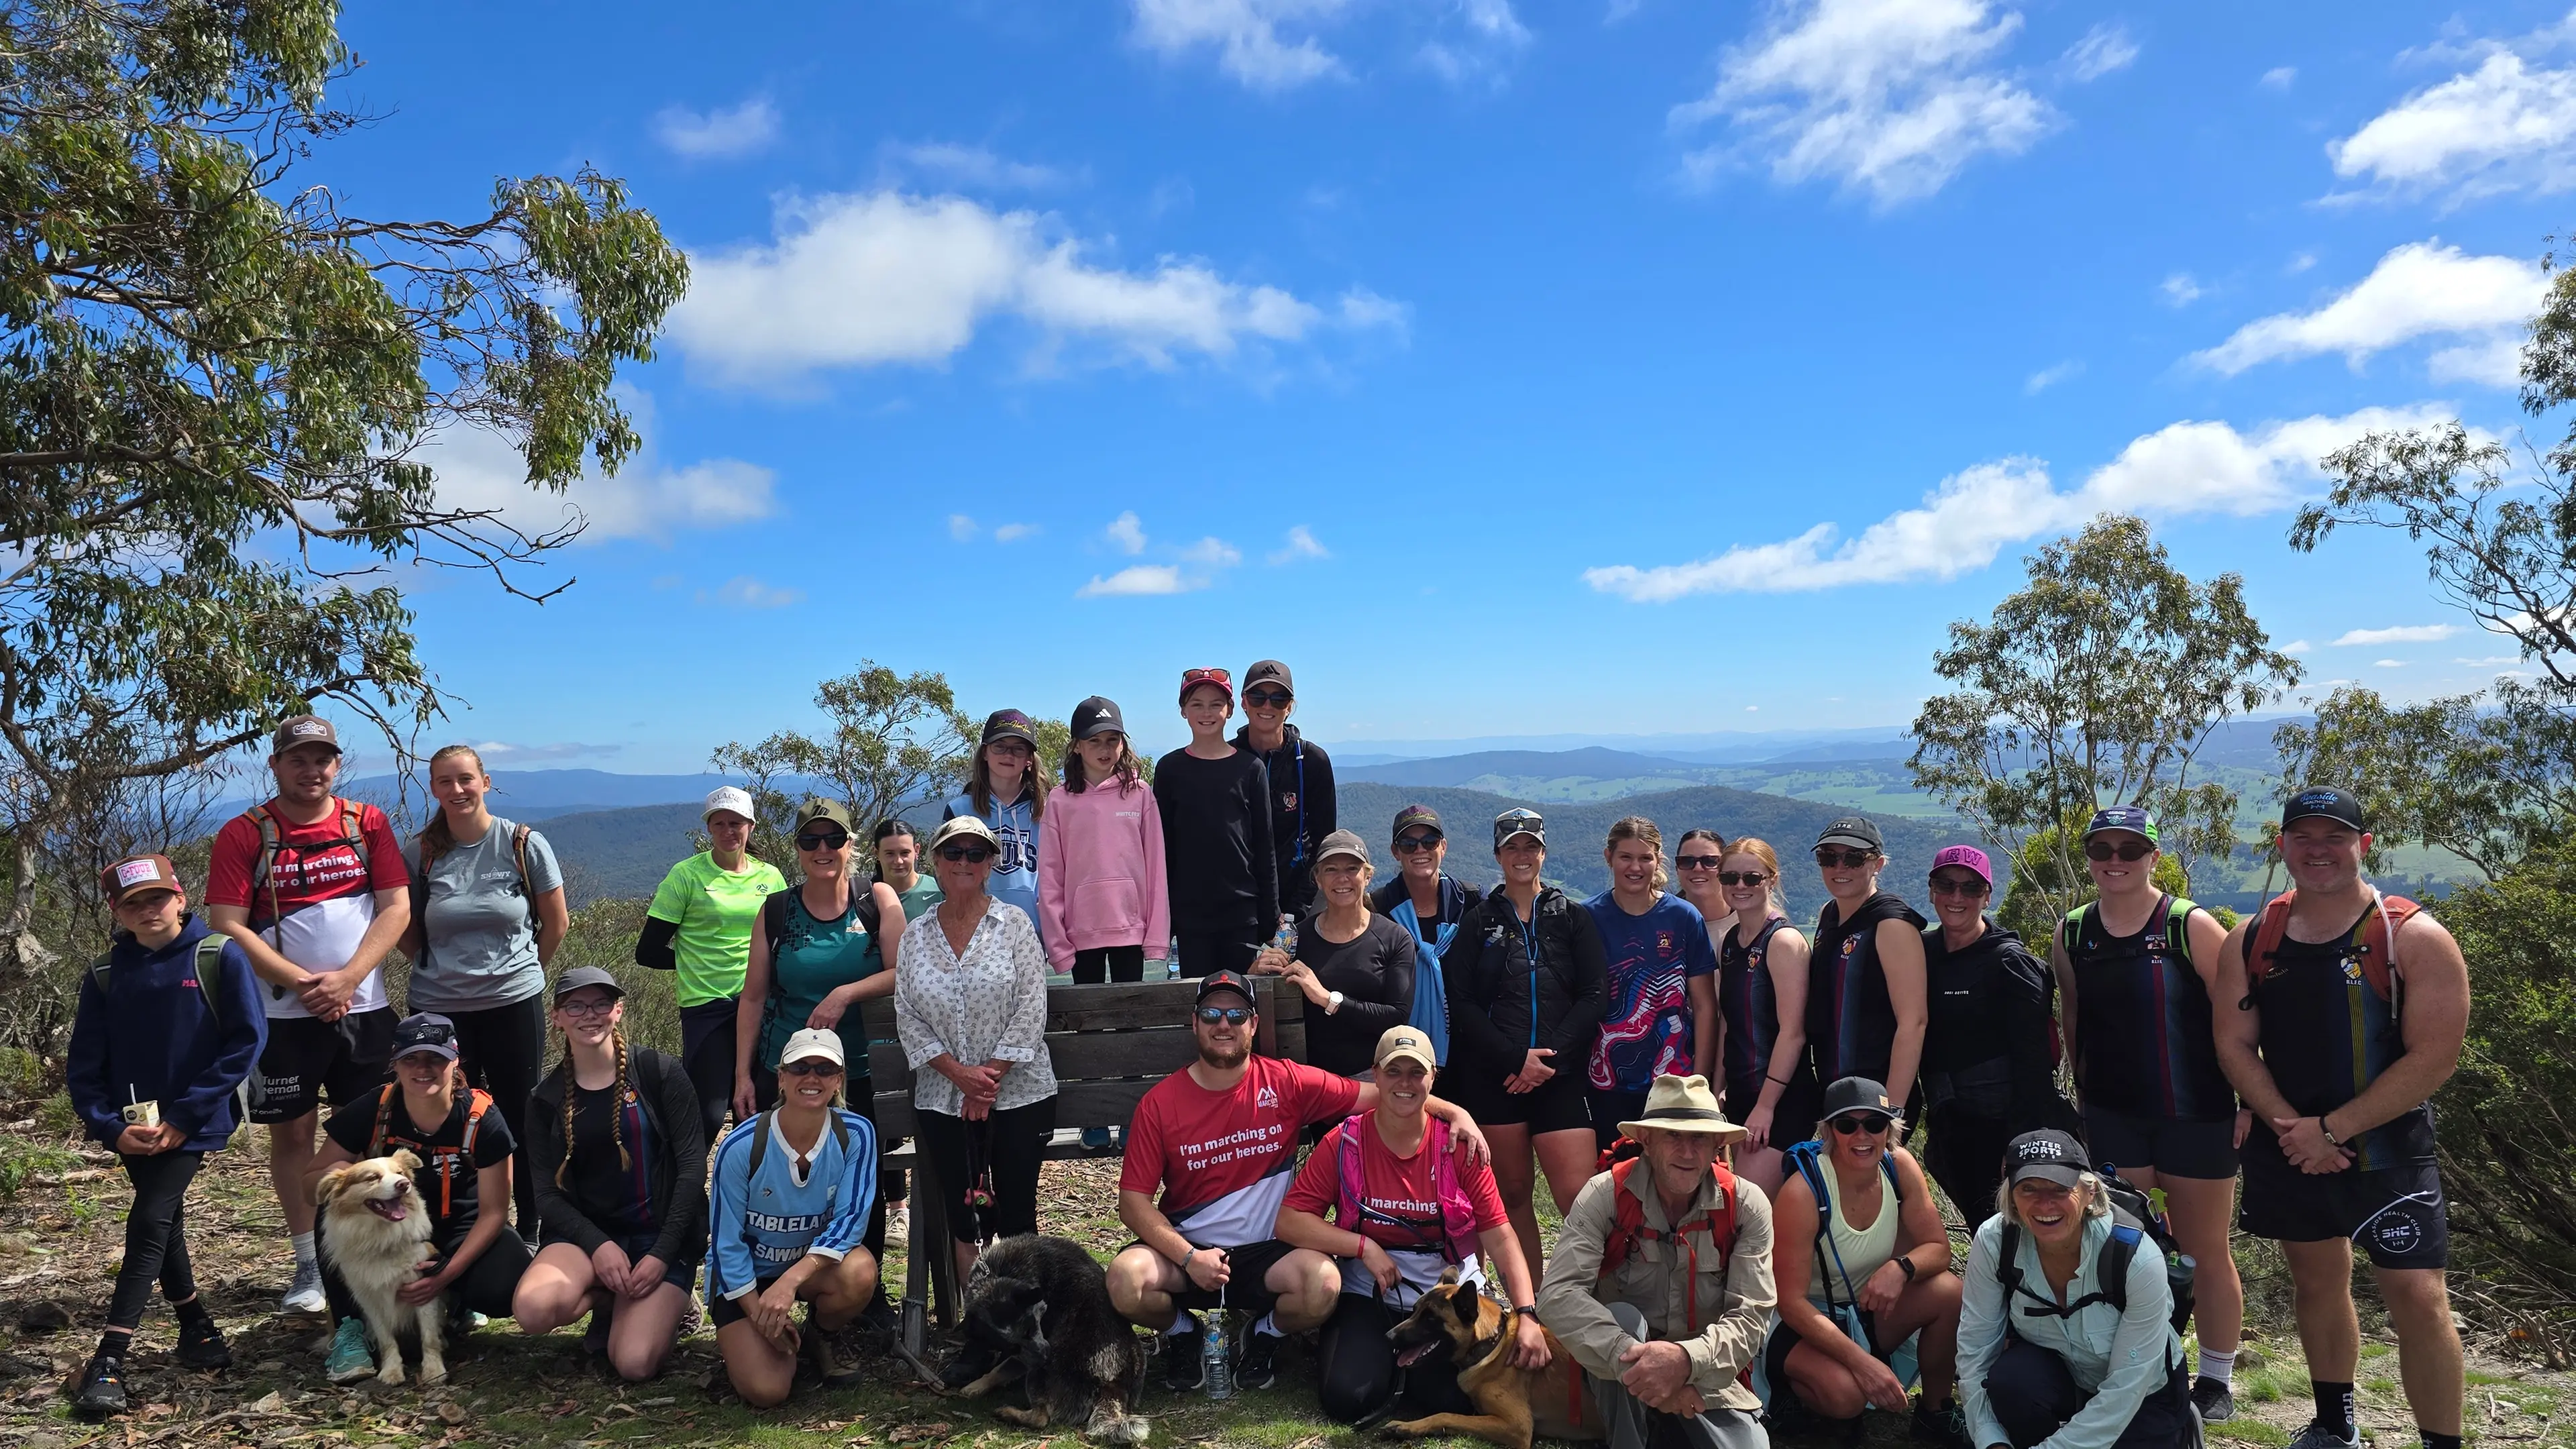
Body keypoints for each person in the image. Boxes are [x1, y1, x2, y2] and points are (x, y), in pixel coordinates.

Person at [2214, 788, 2469, 1449]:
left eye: (2335, 836)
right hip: (2289, 1144)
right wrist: (2290, 1127)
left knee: (2416, 1295)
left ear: (2364, 844)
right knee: (2316, 1281)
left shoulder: (2412, 936)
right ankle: (2334, 1425)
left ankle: (2442, 1441)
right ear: (2283, 847)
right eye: (2304, 837)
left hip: (2388, 1150)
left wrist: (2332, 1130)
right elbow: (2234, 1042)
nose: (2318, 850)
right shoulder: (2253, 938)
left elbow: (2435, 1056)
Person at [1106, 970, 1490, 1393]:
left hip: (1272, 1254)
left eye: (1236, 1015)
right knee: (1126, 1279)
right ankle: (1184, 1335)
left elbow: (1386, 1094)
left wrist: (1455, 1112)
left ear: (1253, 1024)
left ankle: (1264, 1336)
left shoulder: (1286, 1081)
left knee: (1325, 1283)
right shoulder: (1160, 1103)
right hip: (1190, 1251)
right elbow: (1133, 1204)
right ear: (1195, 1022)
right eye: (1212, 1013)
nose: (1224, 1025)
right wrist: (1186, 1257)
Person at [204, 714, 411, 1316]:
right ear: (276, 766)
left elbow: (395, 907)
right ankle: (308, 1263)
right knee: (292, 1135)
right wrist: (301, 982)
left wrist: (347, 979)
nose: (311, 769)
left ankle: (378, 1251)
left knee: (372, 1135)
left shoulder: (366, 823)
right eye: (298, 759)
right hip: (282, 1017)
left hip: (365, 1008)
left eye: (322, 758)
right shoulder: (246, 833)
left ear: (337, 765)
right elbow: (226, 923)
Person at [2049, 805, 2243, 1420]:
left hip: (2197, 1114)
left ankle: (2214, 1379)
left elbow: (2236, 1022)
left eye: (2129, 850)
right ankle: (2126, 1367)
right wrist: (2083, 1099)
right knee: (2116, 1250)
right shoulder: (2073, 932)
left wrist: (2250, 1104)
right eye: (2101, 849)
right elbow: (2073, 1017)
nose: (2114, 861)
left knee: (2204, 1250)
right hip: (2112, 1117)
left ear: (2153, 857)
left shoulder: (2190, 925)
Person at [66, 855, 267, 1416]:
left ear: (181, 898)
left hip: (196, 1123)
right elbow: (84, 1065)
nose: (148, 910)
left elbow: (245, 1042)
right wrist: (110, 1129)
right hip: (134, 1129)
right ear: (117, 911)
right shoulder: (106, 974)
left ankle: (110, 1358)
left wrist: (185, 1117)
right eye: (134, 903)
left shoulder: (217, 956)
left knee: (151, 1217)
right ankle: (198, 1331)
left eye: (157, 898)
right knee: (165, 1218)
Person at [1277, 1025, 1545, 1425]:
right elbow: (1289, 1221)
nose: (1405, 1083)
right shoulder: (1344, 1141)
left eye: (1416, 1073)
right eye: (1393, 1071)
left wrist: (1527, 1314)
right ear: (1376, 1074)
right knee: (1348, 1399)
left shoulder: (1459, 1147)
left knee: (1457, 1401)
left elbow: (1500, 1235)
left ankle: (1402, 1370)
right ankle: (1373, 1359)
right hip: (1367, 1293)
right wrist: (1363, 1247)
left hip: (1445, 1305)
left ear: (1432, 1078)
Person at [1538, 1073, 1776, 1449]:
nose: (1687, 1152)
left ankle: (1671, 1425)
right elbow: (1557, 1295)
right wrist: (1637, 1364)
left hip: (1704, 1371)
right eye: (1673, 1135)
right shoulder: (1605, 1195)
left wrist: (1683, 1360)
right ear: (1645, 1140)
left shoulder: (1746, 1206)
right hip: (1617, 1370)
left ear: (1717, 1144)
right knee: (1622, 1318)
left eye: (1699, 1137)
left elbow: (1751, 1319)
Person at [306, 1013, 533, 1385]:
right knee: (333, 1209)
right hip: (390, 1224)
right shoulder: (374, 1108)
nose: (423, 1069)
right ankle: (350, 1327)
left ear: (455, 1060)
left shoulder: (481, 1117)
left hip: (461, 1225)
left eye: (435, 1059)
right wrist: (345, 1178)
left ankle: (456, 1302)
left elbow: (494, 1214)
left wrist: (447, 1274)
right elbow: (311, 1182)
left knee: (504, 1286)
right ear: (394, 1062)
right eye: (411, 1059)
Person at [400, 743, 570, 1238]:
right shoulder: (420, 853)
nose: (457, 790)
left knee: (521, 1111)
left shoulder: (521, 843)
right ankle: (462, 1224)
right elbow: (405, 927)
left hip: (512, 1003)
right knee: (447, 1117)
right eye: (445, 782)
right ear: (434, 789)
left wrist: (521, 974)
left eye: (466, 779)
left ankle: (532, 1225)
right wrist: (436, 970)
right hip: (438, 1010)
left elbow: (555, 922)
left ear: (486, 782)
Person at [513, 967, 706, 1381]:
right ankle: (608, 1301)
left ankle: (670, 1307)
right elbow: (546, 1194)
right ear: (557, 1016)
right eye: (576, 1006)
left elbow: (691, 1170)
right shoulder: (545, 1099)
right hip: (587, 1239)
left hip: (658, 1238)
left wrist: (663, 1253)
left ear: (618, 1010)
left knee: (633, 1363)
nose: (590, 1015)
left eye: (602, 1003)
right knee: (533, 1311)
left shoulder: (658, 1072)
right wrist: (598, 1246)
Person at [1443, 808, 1608, 1275]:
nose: (1522, 856)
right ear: (1498, 855)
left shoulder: (1572, 917)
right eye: (1512, 847)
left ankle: (1586, 1299)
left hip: (1560, 1075)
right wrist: (1516, 1059)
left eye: (1530, 847)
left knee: (1579, 1199)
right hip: (1498, 1078)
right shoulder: (1477, 923)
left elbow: (1595, 993)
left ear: (1543, 852)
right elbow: (1462, 1002)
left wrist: (1547, 1060)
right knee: (1511, 1194)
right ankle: (1529, 1304)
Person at [1957, 1130, 2198, 1449]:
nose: (2045, 1203)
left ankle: (2184, 1425)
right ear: (2010, 1194)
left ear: (2090, 1192)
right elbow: (1976, 1351)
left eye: (2060, 1189)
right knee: (2010, 1384)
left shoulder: (2136, 1256)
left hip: (2143, 1391)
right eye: (2028, 1188)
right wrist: (1990, 1440)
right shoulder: (1995, 1241)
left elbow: (2127, 1386)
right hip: (2059, 1375)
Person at [896, 814, 1059, 1277]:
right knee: (964, 1218)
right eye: (953, 853)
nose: (963, 862)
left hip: (1020, 1093)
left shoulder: (1014, 925)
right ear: (936, 863)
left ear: (990, 864)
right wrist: (959, 1075)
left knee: (1017, 1217)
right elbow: (907, 1013)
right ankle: (981, 1324)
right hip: (941, 1097)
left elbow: (1032, 1004)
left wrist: (986, 1079)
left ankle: (1024, 1320)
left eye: (975, 854)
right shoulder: (916, 935)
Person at [1764, 1076, 1965, 1446]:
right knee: (1847, 1394)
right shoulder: (1803, 1192)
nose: (1862, 1136)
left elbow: (1939, 1248)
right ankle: (1796, 1399)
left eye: (1874, 1124)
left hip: (1862, 1308)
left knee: (1950, 1292)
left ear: (1889, 1129)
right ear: (1828, 1131)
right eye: (1846, 1125)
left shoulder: (1899, 1166)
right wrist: (1863, 1364)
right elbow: (1789, 1302)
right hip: (1803, 1319)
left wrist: (1901, 1268)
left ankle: (1935, 1411)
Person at [706, 1027, 881, 1406]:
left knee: (861, 1270)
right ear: (781, 1077)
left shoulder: (857, 1134)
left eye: (824, 1069)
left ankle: (821, 1334)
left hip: (806, 1270)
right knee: (767, 1392)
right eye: (800, 1068)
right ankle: (765, 1338)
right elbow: (725, 1244)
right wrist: (758, 1313)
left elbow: (851, 1221)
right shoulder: (741, 1146)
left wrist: (788, 1284)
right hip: (748, 1278)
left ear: (838, 1081)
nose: (812, 1078)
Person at [1919, 845, 2070, 1233]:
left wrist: (2020, 1146)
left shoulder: (2009, 963)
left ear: (1987, 896)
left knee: (2017, 1236)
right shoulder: (1921, 952)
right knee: (1984, 1236)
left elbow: (2035, 1065)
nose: (1957, 897)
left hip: (2003, 1131)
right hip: (1952, 1131)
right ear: (1932, 890)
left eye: (1971, 888)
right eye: (1946, 885)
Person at [635, 786, 787, 1151]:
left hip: (762, 1004)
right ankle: (682, 1195)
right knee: (709, 1112)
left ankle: (757, 1192)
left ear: (751, 826)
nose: (728, 831)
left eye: (736, 823)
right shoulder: (686, 876)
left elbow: (784, 941)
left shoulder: (771, 877)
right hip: (707, 1005)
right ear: (709, 829)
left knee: (762, 1107)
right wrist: (694, 964)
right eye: (719, 824)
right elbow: (648, 950)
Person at [734, 799, 904, 1112]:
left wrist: (845, 994)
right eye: (810, 841)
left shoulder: (876, 900)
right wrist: (743, 1076)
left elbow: (902, 972)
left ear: (850, 845)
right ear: (797, 848)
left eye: (834, 839)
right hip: (788, 1070)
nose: (822, 849)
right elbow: (753, 998)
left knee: (860, 1159)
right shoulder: (776, 910)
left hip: (861, 1070)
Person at [1583, 816, 1721, 1149]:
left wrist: (1700, 1082)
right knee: (1616, 1179)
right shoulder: (1587, 917)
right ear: (1608, 857)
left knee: (1678, 1181)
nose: (1635, 867)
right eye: (1625, 857)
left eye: (1645, 857)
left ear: (1658, 860)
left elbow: (1704, 1006)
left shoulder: (1684, 917)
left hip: (1676, 1082)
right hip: (1606, 1082)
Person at [1252, 829, 1416, 1079]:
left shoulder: (1395, 938)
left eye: (1352, 869)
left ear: (1368, 876)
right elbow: (1266, 1002)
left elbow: (1397, 1017)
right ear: (1318, 879)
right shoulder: (1297, 937)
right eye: (1331, 870)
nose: (1342, 879)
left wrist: (1328, 1000)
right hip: (1307, 1080)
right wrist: (1255, 975)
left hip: (1370, 1079)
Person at [1155, 667, 1278, 977]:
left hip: (1241, 913)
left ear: (1231, 710)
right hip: (1190, 916)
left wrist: (1270, 916)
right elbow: (1162, 848)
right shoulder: (1170, 769)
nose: (1206, 712)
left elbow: (1264, 847)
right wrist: (1165, 917)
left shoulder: (1251, 768)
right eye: (1197, 704)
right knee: (1199, 1000)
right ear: (1183, 711)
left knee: (1243, 1000)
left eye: (1215, 704)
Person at [1039, 695, 1170, 985]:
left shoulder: (1141, 794)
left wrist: (1157, 938)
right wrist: (1057, 945)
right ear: (1076, 746)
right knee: (1088, 1025)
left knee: (1130, 1020)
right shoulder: (1059, 801)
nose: (1104, 749)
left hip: (1132, 930)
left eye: (1112, 740)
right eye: (1094, 741)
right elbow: (1050, 877)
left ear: (1122, 744)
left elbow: (1156, 871)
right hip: (1080, 935)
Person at [1805, 816, 1929, 1110]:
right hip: (1835, 1092)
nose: (1840, 867)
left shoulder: (1892, 924)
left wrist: (1893, 1110)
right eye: (1828, 857)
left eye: (1855, 858)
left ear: (1878, 864)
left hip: (1877, 1097)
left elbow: (1914, 1023)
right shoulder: (1829, 914)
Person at [1713, 837, 1813, 1199]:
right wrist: (1715, 1089)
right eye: (1730, 878)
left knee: (1748, 1209)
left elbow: (1793, 1033)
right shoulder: (1730, 941)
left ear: (1771, 879)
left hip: (1779, 1100)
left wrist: (1766, 1107)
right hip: (1739, 1094)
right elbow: (1729, 1022)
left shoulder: (1783, 941)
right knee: (1740, 1213)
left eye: (1752, 878)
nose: (1740, 886)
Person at [1370, 804, 1483, 1064]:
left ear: (1443, 846)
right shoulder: (1379, 908)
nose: (1420, 850)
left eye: (1429, 842)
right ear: (1395, 852)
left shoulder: (1471, 901)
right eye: (1409, 844)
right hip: (1404, 1051)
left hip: (1471, 1046)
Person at [1233, 659, 1337, 918]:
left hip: (1298, 899)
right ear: (1244, 702)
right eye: (1258, 697)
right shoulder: (1227, 760)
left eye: (1279, 698)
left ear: (1290, 706)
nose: (1268, 706)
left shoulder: (1312, 761)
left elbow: (1323, 841)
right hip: (1239, 902)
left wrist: (1296, 910)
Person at [943, 709, 1046, 945]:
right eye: (1000, 746)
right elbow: (947, 874)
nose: (1008, 755)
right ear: (985, 753)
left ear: (1029, 759)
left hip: (1032, 933)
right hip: (973, 932)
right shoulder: (959, 810)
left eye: (1018, 748)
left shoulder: (1046, 811)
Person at [874, 817, 941, 966]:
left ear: (917, 850)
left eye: (905, 853)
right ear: (876, 854)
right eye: (890, 854)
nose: (898, 861)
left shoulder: (939, 891)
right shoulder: (864, 899)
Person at [1672, 828, 1735, 956]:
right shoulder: (1661, 924)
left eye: (1710, 861)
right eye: (1687, 861)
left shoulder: (1753, 925)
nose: (1698, 868)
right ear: (1677, 870)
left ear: (1725, 869)